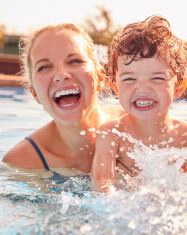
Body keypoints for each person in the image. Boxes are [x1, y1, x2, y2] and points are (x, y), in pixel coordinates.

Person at [92, 16, 187, 192]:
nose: (142, 89)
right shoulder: (111, 134)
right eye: (129, 79)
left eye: (157, 78)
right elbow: (102, 185)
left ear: (179, 86)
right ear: (114, 87)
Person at [2, 23, 125, 180]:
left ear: (99, 77)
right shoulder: (22, 163)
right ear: (35, 94)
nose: (61, 74)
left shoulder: (138, 125)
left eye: (74, 61)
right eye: (44, 67)